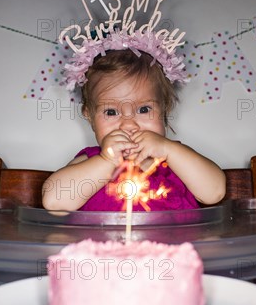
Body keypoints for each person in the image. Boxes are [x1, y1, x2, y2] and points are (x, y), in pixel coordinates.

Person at [42, 45, 226, 212]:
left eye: (144, 109)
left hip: (173, 248)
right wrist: (106, 161)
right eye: (111, 112)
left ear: (165, 109)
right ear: (90, 116)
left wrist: (169, 150)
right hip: (103, 249)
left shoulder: (176, 160)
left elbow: (214, 193)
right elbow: (54, 202)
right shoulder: (89, 162)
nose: (129, 124)